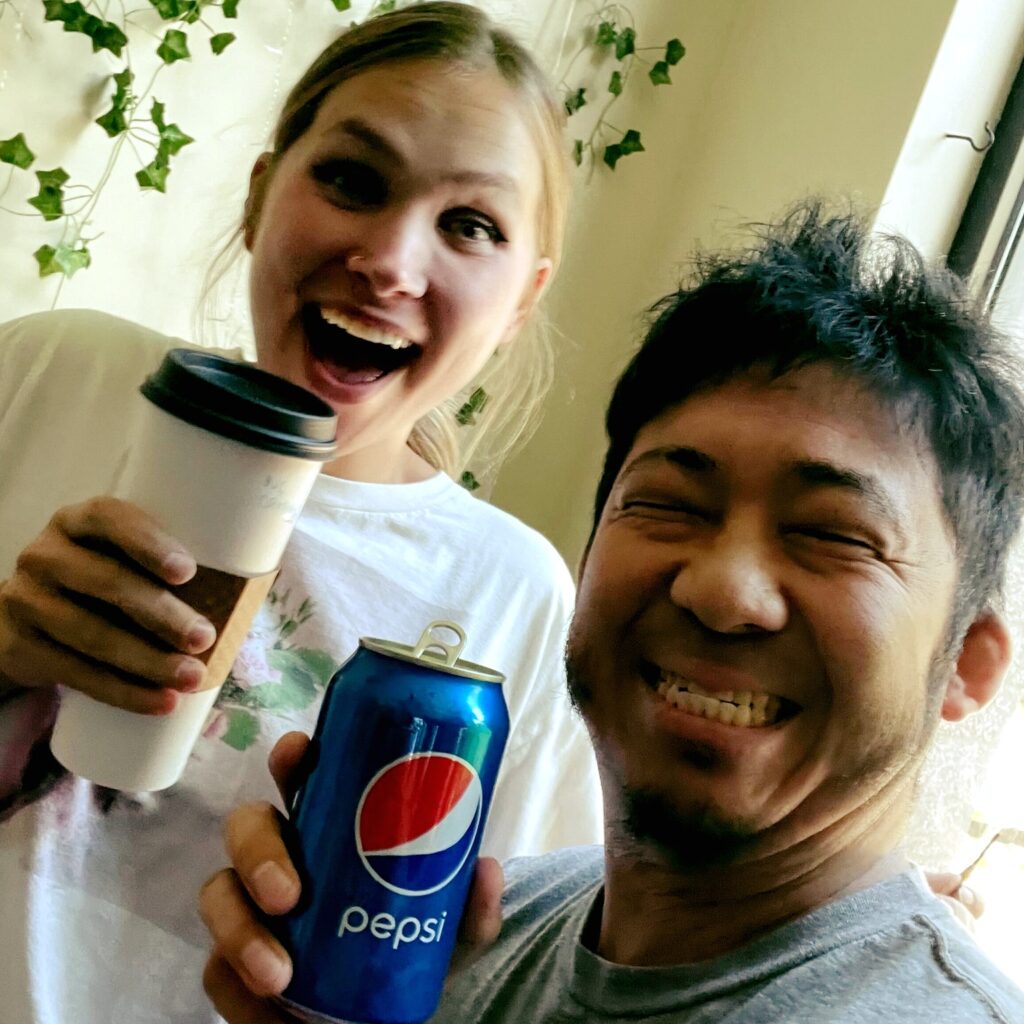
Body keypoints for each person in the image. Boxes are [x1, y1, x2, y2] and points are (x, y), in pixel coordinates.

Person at [201, 204, 1024, 1023]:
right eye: (669, 503)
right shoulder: (477, 934)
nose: (720, 591)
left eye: (832, 533)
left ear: (966, 661)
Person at [0, 5, 602, 1023]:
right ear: (258, 198)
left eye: (470, 225)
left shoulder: (517, 594)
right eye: (353, 180)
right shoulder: (50, 373)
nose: (391, 262)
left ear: (521, 304)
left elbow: (507, 982)